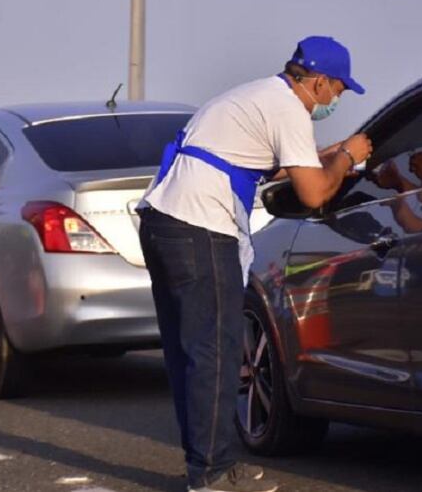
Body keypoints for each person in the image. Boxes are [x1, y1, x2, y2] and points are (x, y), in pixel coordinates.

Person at [137, 36, 372, 492]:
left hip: (164, 221)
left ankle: (204, 466)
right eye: (340, 91)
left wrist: (330, 152)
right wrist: (347, 157)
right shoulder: (289, 108)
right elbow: (314, 193)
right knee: (217, 352)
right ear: (319, 82)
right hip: (200, 226)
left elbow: (270, 164)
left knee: (189, 352)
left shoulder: (256, 95)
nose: (337, 101)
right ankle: (213, 473)